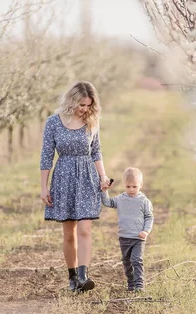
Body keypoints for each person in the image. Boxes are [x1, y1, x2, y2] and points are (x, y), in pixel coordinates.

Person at [40, 81, 111, 292]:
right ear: (72, 101)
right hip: (63, 178)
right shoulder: (53, 123)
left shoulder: (92, 122)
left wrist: (103, 176)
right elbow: (46, 157)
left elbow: (96, 151)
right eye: (81, 104)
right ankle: (72, 278)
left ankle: (83, 275)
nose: (84, 109)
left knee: (85, 228)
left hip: (87, 177)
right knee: (69, 233)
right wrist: (44, 187)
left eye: (88, 105)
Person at [101, 167, 154, 291]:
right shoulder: (121, 199)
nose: (131, 189)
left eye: (134, 187)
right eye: (128, 186)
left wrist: (146, 231)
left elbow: (149, 217)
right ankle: (131, 283)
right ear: (124, 185)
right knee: (127, 262)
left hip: (138, 238)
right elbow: (107, 202)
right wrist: (104, 191)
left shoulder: (144, 201)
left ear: (141, 185)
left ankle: (139, 285)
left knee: (137, 260)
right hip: (124, 237)